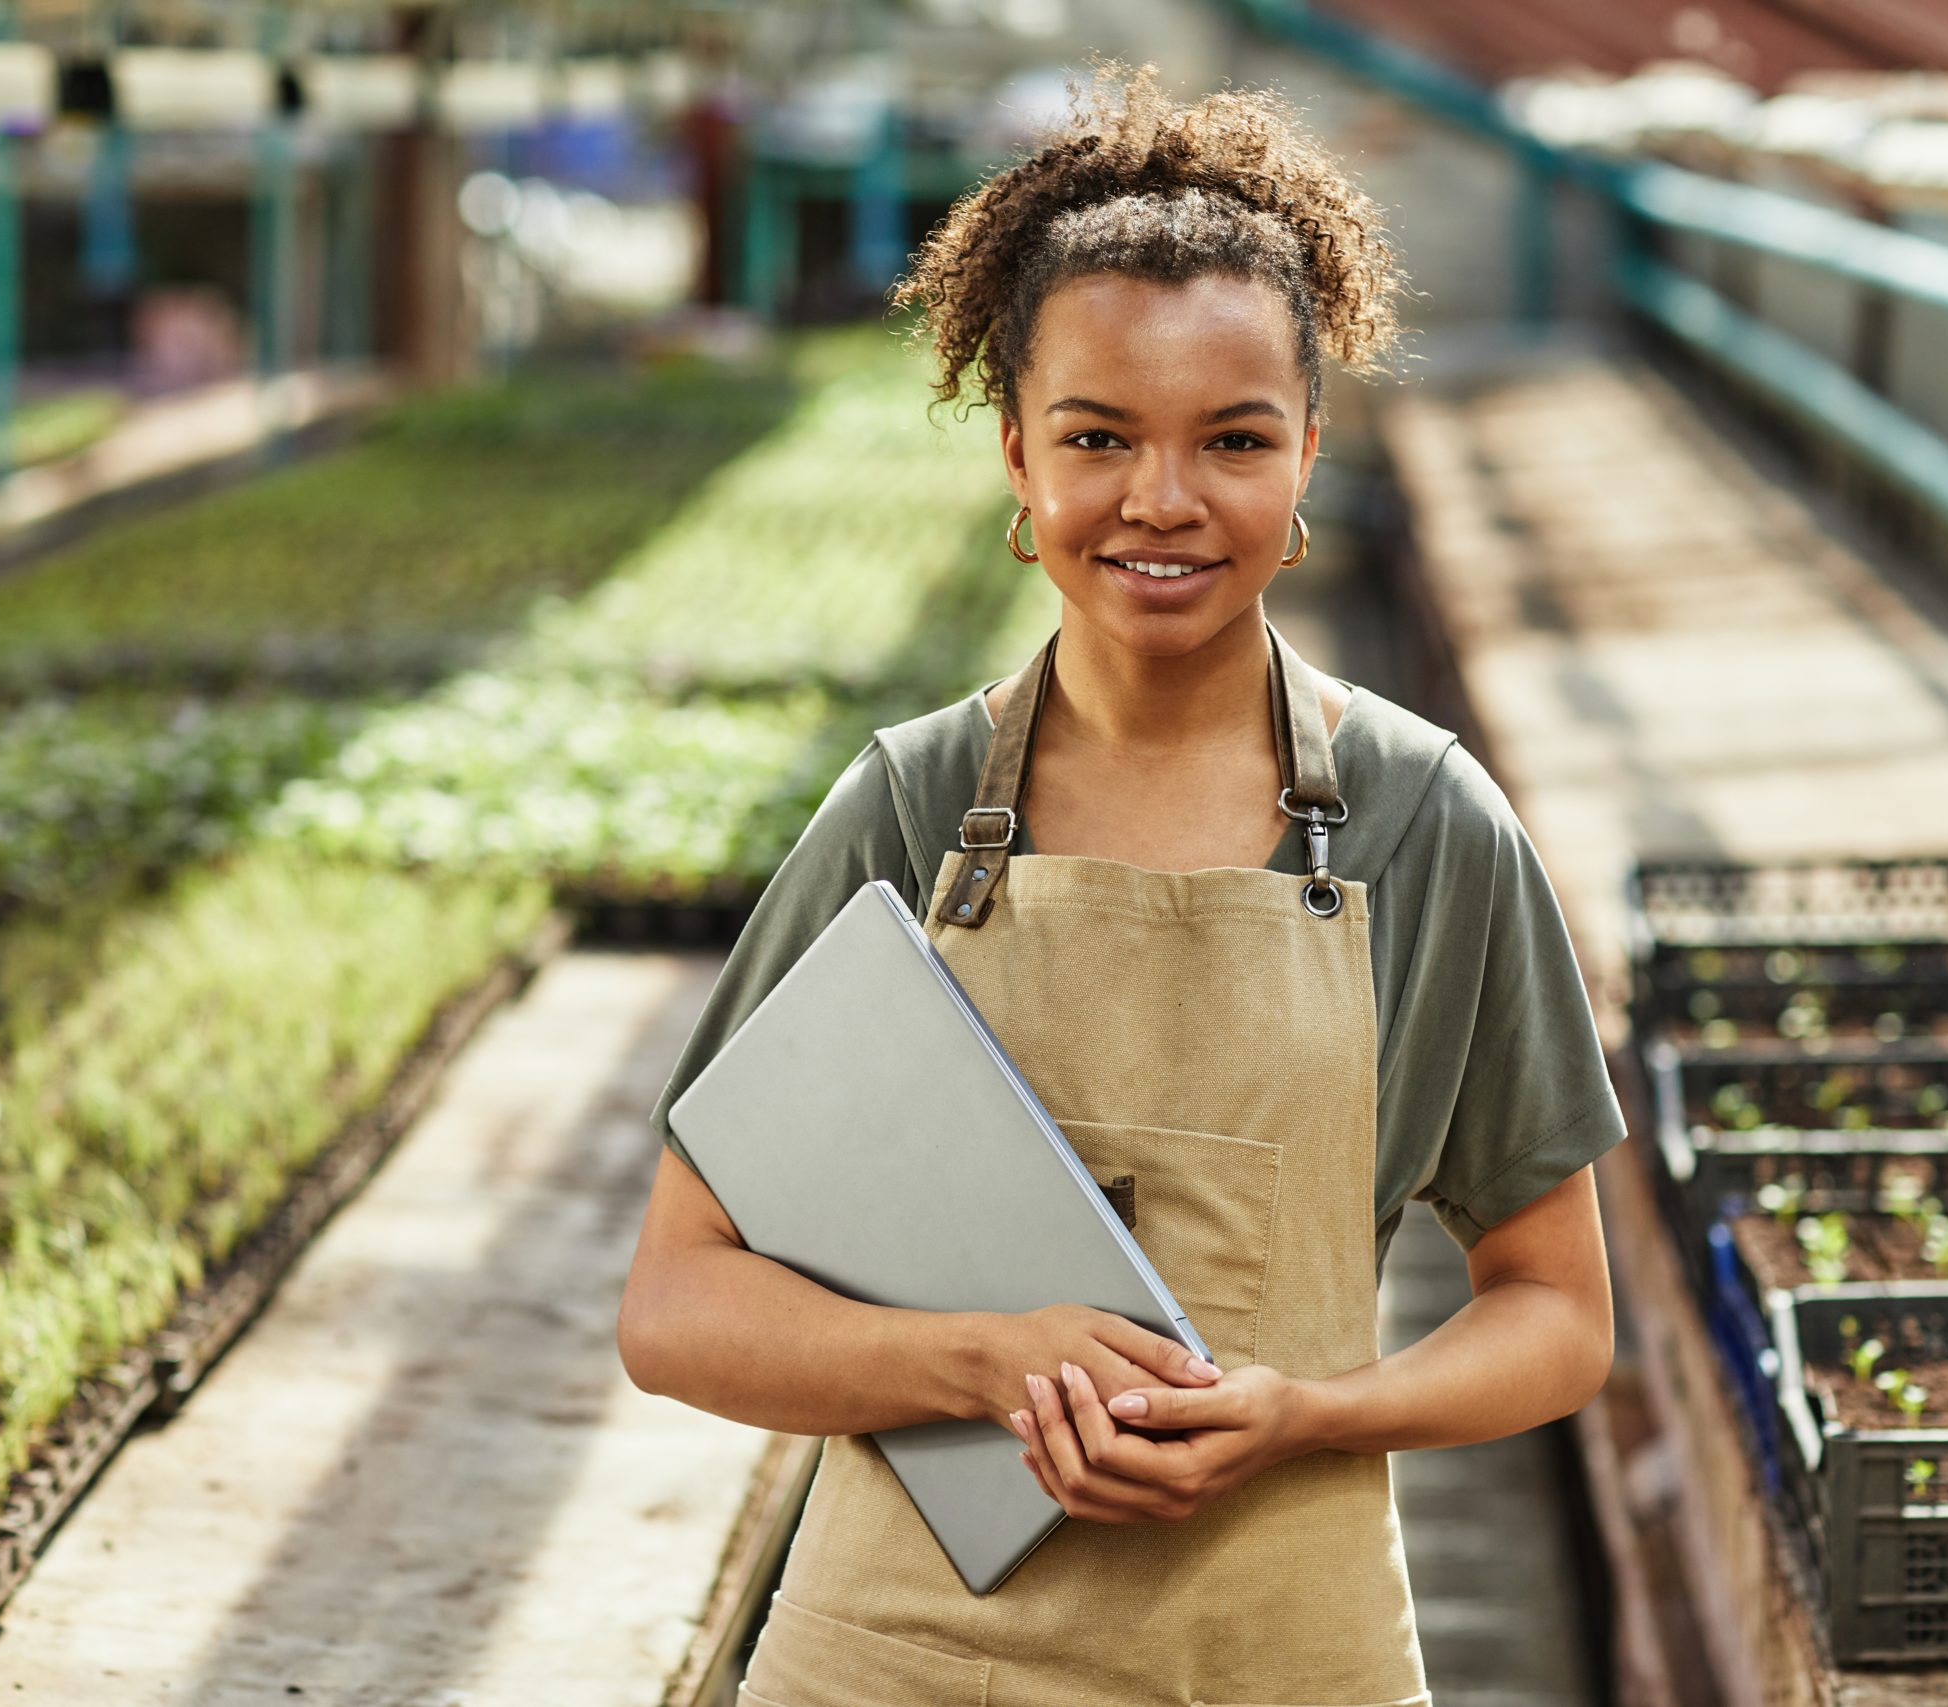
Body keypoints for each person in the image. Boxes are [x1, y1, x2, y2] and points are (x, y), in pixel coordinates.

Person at [616, 58, 1622, 1707]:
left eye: (1233, 440)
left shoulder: (1423, 825)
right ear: (1016, 455)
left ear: (1308, 455)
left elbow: (1557, 1315)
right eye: (1099, 438)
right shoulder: (912, 810)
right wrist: (974, 1359)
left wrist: (1312, 1410)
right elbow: (676, 1299)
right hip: (899, 1659)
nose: (1162, 501)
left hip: (1280, 1651)